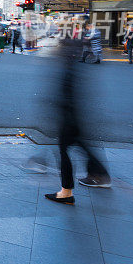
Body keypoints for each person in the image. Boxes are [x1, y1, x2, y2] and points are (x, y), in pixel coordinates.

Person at [45, 38, 111, 205]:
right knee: (81, 147)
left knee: (64, 153)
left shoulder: (67, 67)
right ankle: (100, 174)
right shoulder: (74, 65)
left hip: (68, 119)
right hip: (74, 118)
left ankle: (66, 192)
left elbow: (66, 95)